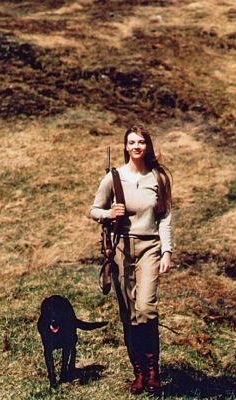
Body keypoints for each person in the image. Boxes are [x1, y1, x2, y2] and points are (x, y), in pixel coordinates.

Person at [90, 124, 173, 395]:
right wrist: (109, 214)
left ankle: (153, 370)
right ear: (126, 147)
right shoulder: (114, 178)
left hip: (150, 247)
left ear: (147, 146)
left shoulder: (158, 177)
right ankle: (139, 372)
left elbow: (165, 217)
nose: (136, 146)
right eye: (132, 142)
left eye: (141, 142)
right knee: (128, 314)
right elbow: (94, 210)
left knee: (145, 309)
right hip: (121, 250)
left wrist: (167, 251)